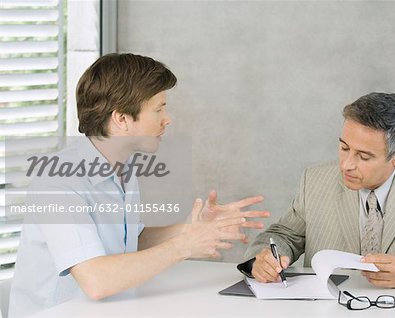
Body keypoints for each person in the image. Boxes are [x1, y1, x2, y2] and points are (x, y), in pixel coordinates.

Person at [9, 53, 269, 317]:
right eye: (158, 109)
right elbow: (96, 281)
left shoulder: (122, 166)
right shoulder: (59, 181)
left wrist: (192, 228)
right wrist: (185, 246)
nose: (167, 119)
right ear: (122, 119)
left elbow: (127, 239)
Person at [240, 92, 395, 289]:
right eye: (344, 148)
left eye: (364, 156)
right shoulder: (315, 179)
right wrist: (264, 259)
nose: (346, 165)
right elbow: (284, 235)